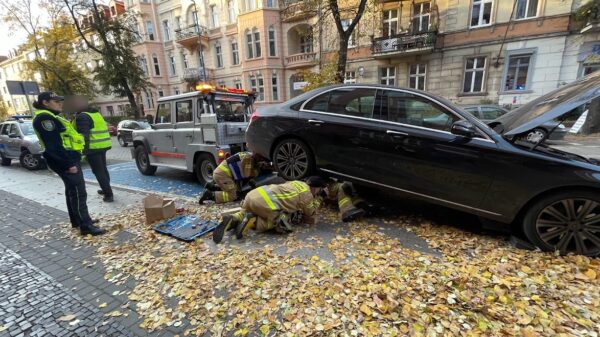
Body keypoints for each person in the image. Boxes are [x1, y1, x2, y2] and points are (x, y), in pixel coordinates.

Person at [32, 92, 106, 236]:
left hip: (68, 158)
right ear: (45, 102)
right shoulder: (45, 118)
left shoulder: (50, 116)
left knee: (72, 191)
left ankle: (77, 220)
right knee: (79, 193)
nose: (60, 103)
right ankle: (86, 226)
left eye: (60, 101)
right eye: (56, 101)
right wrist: (68, 164)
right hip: (66, 160)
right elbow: (54, 145)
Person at [212, 176, 326, 244]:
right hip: (265, 203)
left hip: (252, 195)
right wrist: (319, 199)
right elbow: (310, 212)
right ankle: (252, 221)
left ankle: (233, 219)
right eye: (319, 190)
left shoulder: (296, 182)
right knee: (283, 222)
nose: (318, 192)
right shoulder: (307, 195)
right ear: (315, 188)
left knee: (244, 212)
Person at [71, 96, 114, 202]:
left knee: (98, 171)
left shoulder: (82, 116)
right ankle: (106, 189)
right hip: (103, 145)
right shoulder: (96, 113)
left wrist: (80, 149)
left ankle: (108, 194)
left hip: (93, 147)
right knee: (103, 169)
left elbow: (83, 135)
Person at [198, 151, 270, 204]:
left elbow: (241, 174)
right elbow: (247, 174)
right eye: (261, 159)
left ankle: (211, 187)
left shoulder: (247, 154)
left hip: (221, 174)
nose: (261, 160)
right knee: (233, 195)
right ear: (257, 156)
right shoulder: (249, 159)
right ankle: (210, 195)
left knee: (232, 189)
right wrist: (259, 169)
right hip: (223, 175)